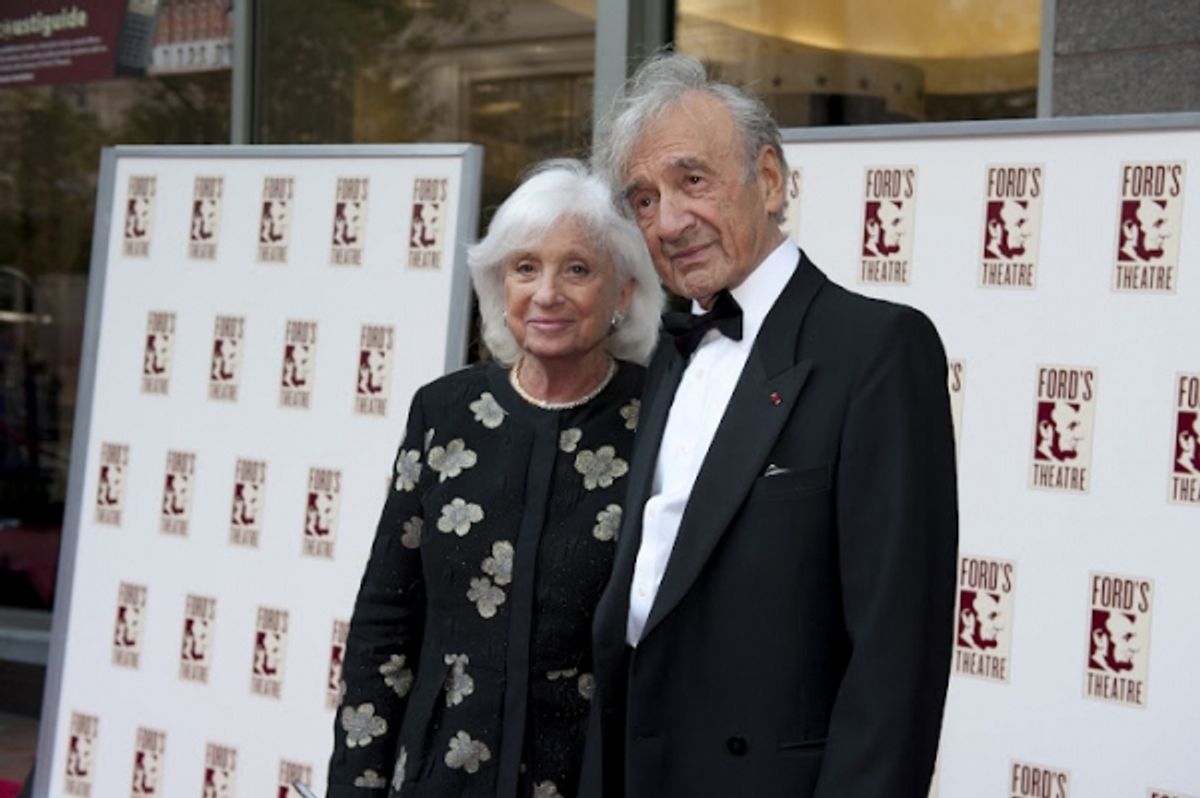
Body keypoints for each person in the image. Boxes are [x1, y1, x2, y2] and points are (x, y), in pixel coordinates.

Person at [584, 54, 957, 798]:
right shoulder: (668, 354)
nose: (669, 221)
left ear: (772, 179)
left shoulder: (876, 349)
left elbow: (896, 659)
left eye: (693, 181)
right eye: (645, 199)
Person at [327, 159, 663, 798]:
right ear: (498, 285)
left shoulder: (663, 418)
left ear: (623, 291)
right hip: (440, 772)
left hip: (595, 774)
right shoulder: (443, 411)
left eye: (578, 269)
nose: (546, 294)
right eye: (525, 267)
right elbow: (385, 621)